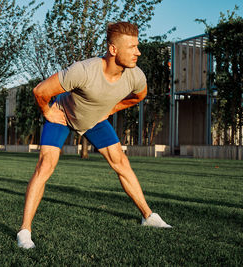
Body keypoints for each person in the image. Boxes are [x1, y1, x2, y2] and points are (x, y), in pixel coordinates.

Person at [17, 21, 172, 249]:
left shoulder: (135, 76)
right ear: (113, 49)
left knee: (121, 163)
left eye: (137, 46)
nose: (138, 52)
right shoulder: (83, 71)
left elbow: (139, 96)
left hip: (95, 121)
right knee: (45, 166)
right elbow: (40, 91)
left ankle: (148, 216)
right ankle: (24, 232)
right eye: (132, 47)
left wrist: (111, 109)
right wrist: (48, 112)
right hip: (63, 116)